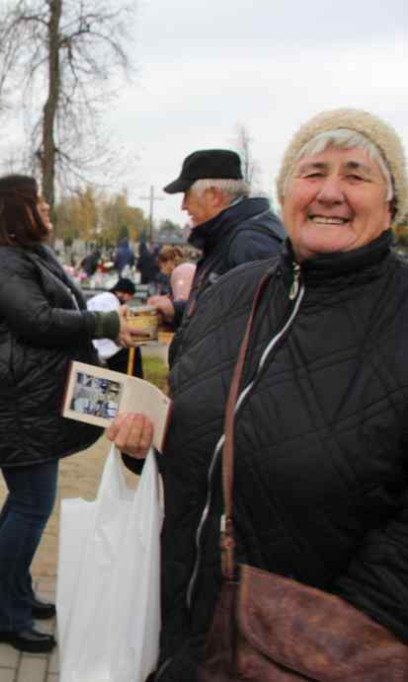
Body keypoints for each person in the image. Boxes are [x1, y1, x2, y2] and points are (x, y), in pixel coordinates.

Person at [109, 109, 408, 680]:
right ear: (287, 189)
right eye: (313, 171)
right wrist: (143, 449)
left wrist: (340, 632)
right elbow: (199, 429)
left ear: (391, 203)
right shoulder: (232, 296)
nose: (330, 192)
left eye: (356, 175)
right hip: (185, 631)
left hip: (318, 652)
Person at [0, 175, 138, 653]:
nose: (46, 207)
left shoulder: (23, 255)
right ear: (17, 209)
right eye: (38, 201)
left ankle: (14, 593)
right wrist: (107, 321)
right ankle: (4, 615)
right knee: (32, 506)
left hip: (32, 398)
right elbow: (37, 321)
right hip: (19, 404)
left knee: (24, 503)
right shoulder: (0, 263)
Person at [148, 149, 285, 360]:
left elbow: (263, 333)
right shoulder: (230, 237)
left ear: (213, 196)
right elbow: (224, 310)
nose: (183, 206)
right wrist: (176, 311)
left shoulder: (251, 243)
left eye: (186, 195)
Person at [87, 278, 143, 377]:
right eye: (129, 296)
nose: (129, 300)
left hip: (92, 342)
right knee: (132, 348)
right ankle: (132, 381)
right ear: (121, 292)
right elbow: (118, 325)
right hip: (100, 345)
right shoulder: (111, 301)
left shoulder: (100, 298)